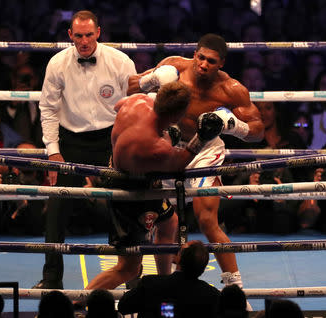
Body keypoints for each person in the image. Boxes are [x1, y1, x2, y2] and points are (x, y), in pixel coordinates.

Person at [128, 33, 264, 302]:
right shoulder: (174, 67)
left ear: (221, 63)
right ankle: (164, 286)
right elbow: (130, 88)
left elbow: (259, 130)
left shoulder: (231, 89)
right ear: (195, 53)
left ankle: (235, 291)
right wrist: (150, 80)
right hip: (169, 144)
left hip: (204, 149)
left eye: (210, 61)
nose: (202, 64)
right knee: (165, 222)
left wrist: (235, 126)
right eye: (200, 57)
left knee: (207, 220)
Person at [83, 81, 223, 293]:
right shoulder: (156, 147)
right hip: (129, 193)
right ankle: (77, 300)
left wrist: (164, 131)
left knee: (170, 221)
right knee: (128, 269)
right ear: (178, 114)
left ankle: (164, 284)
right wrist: (200, 139)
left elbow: (116, 106)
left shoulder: (136, 101)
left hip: (133, 174)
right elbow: (177, 165)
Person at [34, 10, 137, 289]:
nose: (84, 41)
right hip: (71, 141)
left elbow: (137, 103)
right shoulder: (57, 64)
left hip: (111, 139)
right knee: (57, 207)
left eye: (88, 35)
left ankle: (132, 278)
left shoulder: (119, 61)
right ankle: (52, 278)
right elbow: (48, 109)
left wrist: (129, 143)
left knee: (126, 206)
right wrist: (53, 152)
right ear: (70, 36)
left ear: (98, 33)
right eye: (78, 36)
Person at [118, 240, 221, 318]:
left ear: (178, 258)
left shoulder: (150, 284)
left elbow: (123, 306)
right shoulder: (212, 295)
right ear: (203, 267)